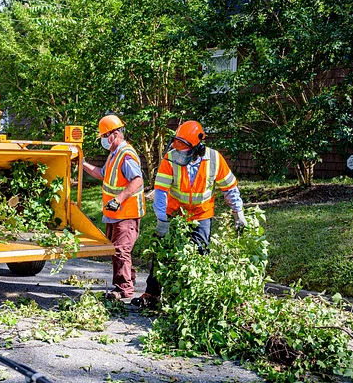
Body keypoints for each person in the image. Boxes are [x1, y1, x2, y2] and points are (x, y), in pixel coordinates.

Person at [131, 120, 246, 309]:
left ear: (197, 147)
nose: (179, 154)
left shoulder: (214, 160)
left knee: (199, 254)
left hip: (201, 214)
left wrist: (238, 212)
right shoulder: (170, 158)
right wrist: (161, 219)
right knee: (161, 253)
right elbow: (160, 192)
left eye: (183, 150)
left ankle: (192, 299)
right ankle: (152, 294)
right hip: (174, 212)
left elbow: (230, 188)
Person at [82, 114, 145, 300]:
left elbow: (138, 180)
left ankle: (124, 290)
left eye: (104, 136)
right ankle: (127, 282)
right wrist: (82, 163)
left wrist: (118, 199)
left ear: (114, 134)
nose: (102, 140)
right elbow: (102, 174)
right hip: (115, 214)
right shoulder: (114, 155)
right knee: (118, 251)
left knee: (120, 250)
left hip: (126, 213)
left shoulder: (125, 155)